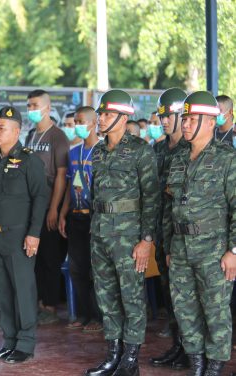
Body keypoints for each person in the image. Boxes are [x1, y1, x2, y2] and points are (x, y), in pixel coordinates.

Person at [85, 89, 159, 376]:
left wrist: (147, 240)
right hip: (100, 234)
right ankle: (113, 354)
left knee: (132, 297)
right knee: (106, 296)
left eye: (106, 114)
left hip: (130, 238)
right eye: (100, 114)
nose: (100, 119)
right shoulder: (99, 151)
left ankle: (130, 359)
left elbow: (152, 198)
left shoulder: (141, 150)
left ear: (123, 117)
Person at [163, 91, 236, 376]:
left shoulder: (227, 159)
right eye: (185, 119)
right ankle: (196, 365)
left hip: (214, 249)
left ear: (210, 122)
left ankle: (214, 368)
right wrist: (169, 246)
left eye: (193, 119)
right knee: (185, 311)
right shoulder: (178, 159)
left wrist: (233, 251)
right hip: (180, 247)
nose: (187, 124)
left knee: (215, 312)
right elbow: (170, 206)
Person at [0, 106, 48, 363]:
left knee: (22, 290)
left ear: (17, 131)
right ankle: (9, 340)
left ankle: (25, 343)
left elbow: (40, 197)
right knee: (2, 292)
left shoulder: (29, 160)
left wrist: (34, 233)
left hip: (19, 237)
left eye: (1, 128)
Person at [148, 88, 190, 370]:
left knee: (186, 297)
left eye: (168, 116)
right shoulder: (159, 149)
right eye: (160, 116)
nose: (163, 121)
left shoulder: (191, 149)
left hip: (185, 237)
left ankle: (192, 350)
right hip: (162, 233)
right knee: (169, 295)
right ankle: (178, 345)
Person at [24, 89, 69, 325]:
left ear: (47, 108)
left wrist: (54, 208)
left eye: (35, 105)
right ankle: (39, 302)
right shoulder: (30, 135)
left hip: (49, 201)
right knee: (35, 257)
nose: (31, 109)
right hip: (30, 204)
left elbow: (62, 175)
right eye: (29, 105)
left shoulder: (57, 136)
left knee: (50, 256)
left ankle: (51, 306)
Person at [58, 106, 102, 332]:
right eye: (75, 122)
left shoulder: (102, 151)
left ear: (94, 123)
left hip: (95, 219)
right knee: (77, 268)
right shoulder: (74, 152)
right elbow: (68, 186)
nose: (78, 126)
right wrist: (63, 213)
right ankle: (83, 314)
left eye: (82, 121)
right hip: (76, 218)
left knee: (96, 269)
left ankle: (98, 316)